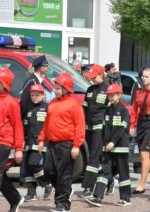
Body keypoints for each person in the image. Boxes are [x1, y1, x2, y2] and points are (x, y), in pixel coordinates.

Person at [38, 73, 85, 212]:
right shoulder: (52, 103)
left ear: (66, 89)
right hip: (52, 144)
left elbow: (80, 126)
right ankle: (65, 192)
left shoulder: (74, 104)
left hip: (67, 144)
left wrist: (76, 146)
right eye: (55, 87)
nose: (54, 90)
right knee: (48, 171)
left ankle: (62, 205)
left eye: (58, 88)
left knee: (64, 175)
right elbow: (47, 124)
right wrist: (41, 139)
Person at [86, 84, 132, 207]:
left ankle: (125, 198)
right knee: (104, 171)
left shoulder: (124, 111)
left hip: (120, 146)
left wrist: (113, 142)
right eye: (109, 95)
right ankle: (97, 196)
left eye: (113, 95)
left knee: (123, 172)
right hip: (107, 147)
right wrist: (104, 143)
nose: (110, 98)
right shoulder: (107, 110)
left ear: (119, 95)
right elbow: (105, 129)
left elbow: (122, 129)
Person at [80, 64, 110, 198]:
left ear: (101, 75)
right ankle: (110, 181)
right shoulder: (90, 89)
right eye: (90, 77)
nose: (92, 80)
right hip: (89, 126)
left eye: (94, 77)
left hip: (100, 126)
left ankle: (88, 187)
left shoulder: (108, 90)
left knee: (93, 157)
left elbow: (110, 111)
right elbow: (84, 108)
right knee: (92, 156)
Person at [0, 67, 25, 212]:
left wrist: (18, 149)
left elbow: (18, 127)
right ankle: (15, 199)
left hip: (4, 142)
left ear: (5, 84)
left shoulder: (12, 103)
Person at [23, 84, 53, 202]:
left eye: (37, 95)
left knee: (33, 163)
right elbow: (26, 127)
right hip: (29, 143)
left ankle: (47, 183)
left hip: (41, 143)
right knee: (27, 169)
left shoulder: (47, 108)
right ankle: (31, 194)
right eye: (32, 95)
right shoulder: (29, 109)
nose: (34, 97)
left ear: (43, 95)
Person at [20, 55, 49, 119]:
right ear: (41, 68)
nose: (47, 69)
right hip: (30, 120)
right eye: (46, 66)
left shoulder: (40, 81)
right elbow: (24, 102)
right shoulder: (32, 82)